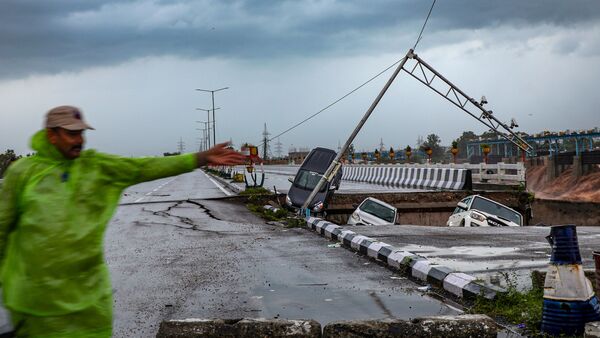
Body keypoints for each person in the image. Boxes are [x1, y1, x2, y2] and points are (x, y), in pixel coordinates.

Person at [0, 105, 246, 337]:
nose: (79, 140)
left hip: (88, 303)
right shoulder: (24, 173)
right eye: (71, 133)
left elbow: (145, 167)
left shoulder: (97, 166)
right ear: (51, 135)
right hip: (34, 307)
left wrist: (200, 158)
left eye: (81, 133)